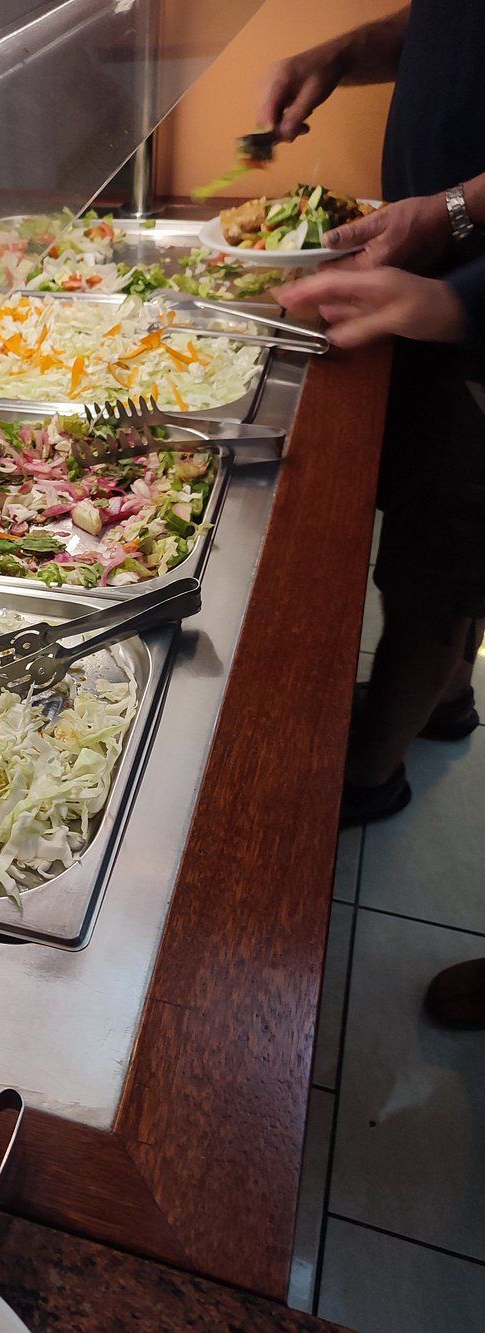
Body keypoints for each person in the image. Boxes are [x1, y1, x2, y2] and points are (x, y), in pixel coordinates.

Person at [259, 4, 485, 1025]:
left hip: (468, 296)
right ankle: (442, 703)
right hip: (447, 274)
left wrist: (459, 252)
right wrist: (350, 48)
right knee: (446, 545)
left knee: (436, 569)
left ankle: (371, 773)